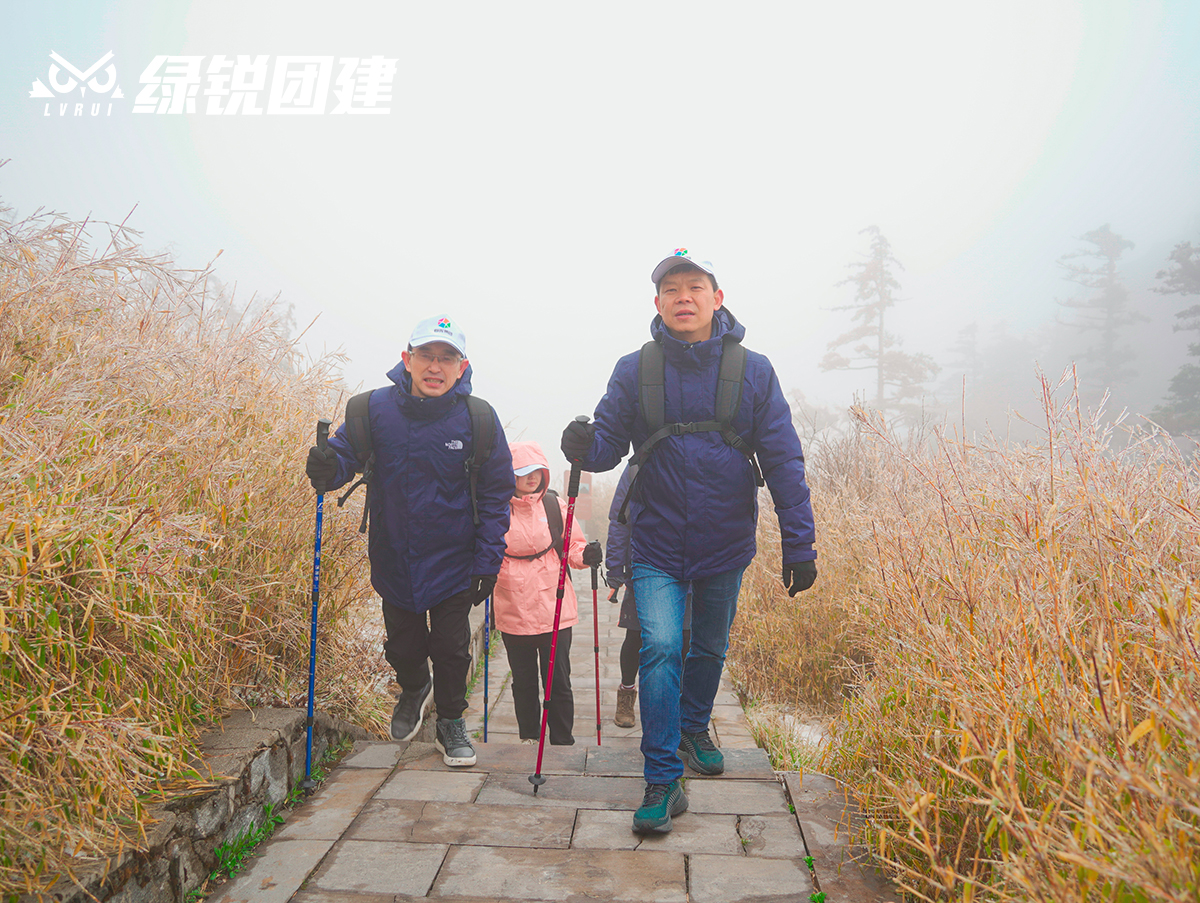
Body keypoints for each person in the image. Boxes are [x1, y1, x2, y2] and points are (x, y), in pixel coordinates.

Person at [561, 249, 817, 834]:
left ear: (716, 298)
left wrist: (799, 546)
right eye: (671, 289)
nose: (683, 297)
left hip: (726, 540)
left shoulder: (754, 371)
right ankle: (661, 777)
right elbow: (607, 448)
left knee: (707, 648)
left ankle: (695, 724)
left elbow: (783, 459)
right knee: (659, 648)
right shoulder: (636, 369)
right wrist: (583, 443)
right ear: (657, 304)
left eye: (694, 287)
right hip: (655, 541)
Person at [306, 315, 513, 767]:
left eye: (446, 358)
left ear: (462, 367)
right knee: (402, 644)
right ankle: (414, 684)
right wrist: (327, 466)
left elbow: (498, 494)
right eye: (426, 356)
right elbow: (345, 457)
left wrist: (488, 560)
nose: (435, 367)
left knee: (452, 646)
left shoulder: (478, 419)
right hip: (393, 553)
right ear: (407, 359)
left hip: (456, 558)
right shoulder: (372, 410)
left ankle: (452, 724)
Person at [492, 441, 602, 746]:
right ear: (509, 474)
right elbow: (485, 551)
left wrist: (586, 555)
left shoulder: (554, 506)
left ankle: (562, 740)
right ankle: (529, 737)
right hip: (513, 606)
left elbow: (572, 546)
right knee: (523, 682)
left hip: (554, 608)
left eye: (536, 471)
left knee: (558, 681)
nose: (531, 478)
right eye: (522, 472)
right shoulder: (496, 509)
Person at [605, 462, 690, 729]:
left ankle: (677, 703)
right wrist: (615, 567)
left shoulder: (702, 457)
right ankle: (626, 693)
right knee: (637, 635)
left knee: (686, 640)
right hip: (646, 564)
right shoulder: (639, 465)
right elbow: (620, 518)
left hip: (693, 568)